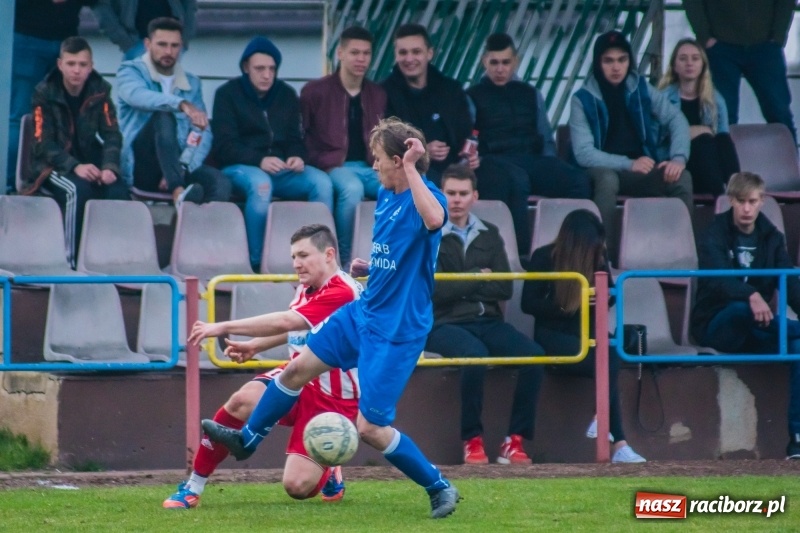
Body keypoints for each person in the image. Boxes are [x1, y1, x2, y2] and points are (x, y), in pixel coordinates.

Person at [202, 118, 461, 519]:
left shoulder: (422, 194)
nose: (373, 167)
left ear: (398, 160)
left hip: (396, 333)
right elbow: (405, 260)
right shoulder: (387, 195)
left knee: (370, 430)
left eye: (378, 160)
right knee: (295, 370)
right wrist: (371, 269)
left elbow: (434, 222)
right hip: (364, 313)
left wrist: (413, 167)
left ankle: (438, 486)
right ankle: (248, 440)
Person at [163, 224, 362, 509]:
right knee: (241, 401)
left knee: (297, 487)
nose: (296, 264)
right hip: (297, 377)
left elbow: (286, 321)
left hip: (334, 397)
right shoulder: (309, 286)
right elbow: (301, 324)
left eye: (303, 255)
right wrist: (256, 345)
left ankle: (329, 466)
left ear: (329, 254)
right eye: (294, 257)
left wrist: (221, 326)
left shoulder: (342, 292)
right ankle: (193, 486)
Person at [425, 164, 544, 465]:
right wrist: (479, 275)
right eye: (450, 193)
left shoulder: (489, 234)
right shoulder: (429, 234)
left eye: (463, 193)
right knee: (475, 356)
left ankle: (514, 441)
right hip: (442, 323)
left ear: (474, 196)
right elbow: (434, 291)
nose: (456, 199)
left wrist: (462, 283)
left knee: (534, 357)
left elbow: (504, 288)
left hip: (488, 320)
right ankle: (472, 440)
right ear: (441, 194)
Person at [522, 209, 646, 463]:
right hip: (553, 336)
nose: (598, 248)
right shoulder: (544, 257)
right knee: (607, 359)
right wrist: (570, 303)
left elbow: (610, 293)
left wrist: (601, 296)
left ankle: (606, 426)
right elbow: (529, 303)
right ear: (578, 241)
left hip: (589, 332)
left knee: (611, 350)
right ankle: (617, 441)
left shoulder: (598, 257)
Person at [691, 171, 800, 459]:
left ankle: (796, 441)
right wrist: (750, 295)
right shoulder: (714, 232)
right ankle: (791, 329)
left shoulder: (771, 237)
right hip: (717, 324)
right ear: (731, 201)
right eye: (741, 201)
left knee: (799, 349)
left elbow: (789, 280)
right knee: (741, 310)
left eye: (752, 201)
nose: (747, 208)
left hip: (758, 328)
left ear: (762, 201)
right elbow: (716, 280)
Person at [568, 30, 693, 260]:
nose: (616, 67)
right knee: (607, 180)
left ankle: (682, 252)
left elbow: (677, 119)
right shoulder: (582, 98)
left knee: (682, 178)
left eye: (622, 60)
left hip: (641, 168)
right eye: (608, 61)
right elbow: (584, 154)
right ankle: (603, 257)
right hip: (603, 169)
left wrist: (678, 158)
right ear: (598, 63)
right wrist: (628, 163)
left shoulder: (641, 88)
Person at [212, 37, 334, 270]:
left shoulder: (286, 94)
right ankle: (257, 262)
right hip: (241, 167)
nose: (267, 75)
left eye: (272, 69)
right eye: (260, 69)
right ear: (246, 67)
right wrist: (258, 160)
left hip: (280, 169)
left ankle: (319, 257)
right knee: (261, 185)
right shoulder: (227, 94)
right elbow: (225, 146)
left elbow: (295, 139)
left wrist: (298, 157)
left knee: (322, 183)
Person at [468, 33, 591, 257]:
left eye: (505, 62)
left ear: (515, 61)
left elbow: (545, 136)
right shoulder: (472, 96)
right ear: (484, 61)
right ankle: (521, 256)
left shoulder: (531, 93)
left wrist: (551, 165)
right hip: (494, 161)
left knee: (578, 181)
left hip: (531, 159)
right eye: (494, 62)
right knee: (518, 181)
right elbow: (469, 138)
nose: (500, 68)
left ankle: (573, 251)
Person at [23, 37, 130, 267]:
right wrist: (74, 166)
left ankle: (108, 261)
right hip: (51, 165)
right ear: (60, 64)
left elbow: (112, 133)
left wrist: (110, 167)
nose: (76, 70)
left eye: (82, 65)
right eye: (71, 64)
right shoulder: (44, 92)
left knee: (118, 190)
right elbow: (42, 143)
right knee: (76, 191)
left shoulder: (100, 91)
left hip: (88, 161)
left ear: (90, 67)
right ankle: (70, 263)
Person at [117, 17, 231, 207]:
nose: (168, 51)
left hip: (179, 164)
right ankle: (178, 191)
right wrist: (181, 104)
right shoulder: (130, 71)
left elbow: (202, 131)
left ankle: (199, 234)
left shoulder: (191, 83)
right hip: (141, 165)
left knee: (220, 183)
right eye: (162, 44)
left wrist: (184, 168)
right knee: (163, 116)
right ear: (148, 44)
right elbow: (137, 96)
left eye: (174, 46)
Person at [300, 26, 387, 265]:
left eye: (366, 53)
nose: (361, 59)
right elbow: (301, 133)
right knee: (351, 189)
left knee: (398, 188)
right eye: (354, 52)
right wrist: (316, 159)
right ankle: (346, 259)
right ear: (340, 53)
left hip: (370, 165)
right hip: (331, 164)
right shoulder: (315, 91)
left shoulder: (377, 94)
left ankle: (390, 257)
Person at [7, 0, 97, 193]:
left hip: (35, 38)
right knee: (32, 117)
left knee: (22, 117)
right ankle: (21, 180)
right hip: (56, 40)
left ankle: (17, 181)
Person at [684, 0, 797, 143]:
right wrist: (704, 36)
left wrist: (778, 36)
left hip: (765, 46)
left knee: (779, 111)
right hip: (722, 47)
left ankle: (790, 163)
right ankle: (724, 163)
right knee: (722, 115)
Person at [381, 24, 478, 187]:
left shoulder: (451, 89)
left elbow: (465, 132)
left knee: (499, 178)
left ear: (429, 53)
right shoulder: (384, 93)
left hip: (454, 164)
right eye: (403, 52)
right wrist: (422, 151)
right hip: (411, 168)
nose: (409, 59)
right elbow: (385, 143)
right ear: (395, 56)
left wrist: (469, 154)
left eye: (416, 52)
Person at [658, 38, 740, 195]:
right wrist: (702, 131)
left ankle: (737, 191)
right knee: (704, 140)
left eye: (695, 59)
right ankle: (724, 200)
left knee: (721, 139)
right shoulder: (663, 99)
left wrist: (696, 132)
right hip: (674, 165)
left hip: (709, 164)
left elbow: (722, 140)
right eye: (683, 59)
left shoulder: (716, 100)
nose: (689, 63)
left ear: (703, 65)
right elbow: (659, 140)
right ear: (674, 66)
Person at [94, 0, 196, 60]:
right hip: (136, 43)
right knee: (137, 93)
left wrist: (184, 38)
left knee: (171, 91)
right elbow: (102, 7)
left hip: (172, 44)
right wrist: (125, 41)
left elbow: (189, 5)